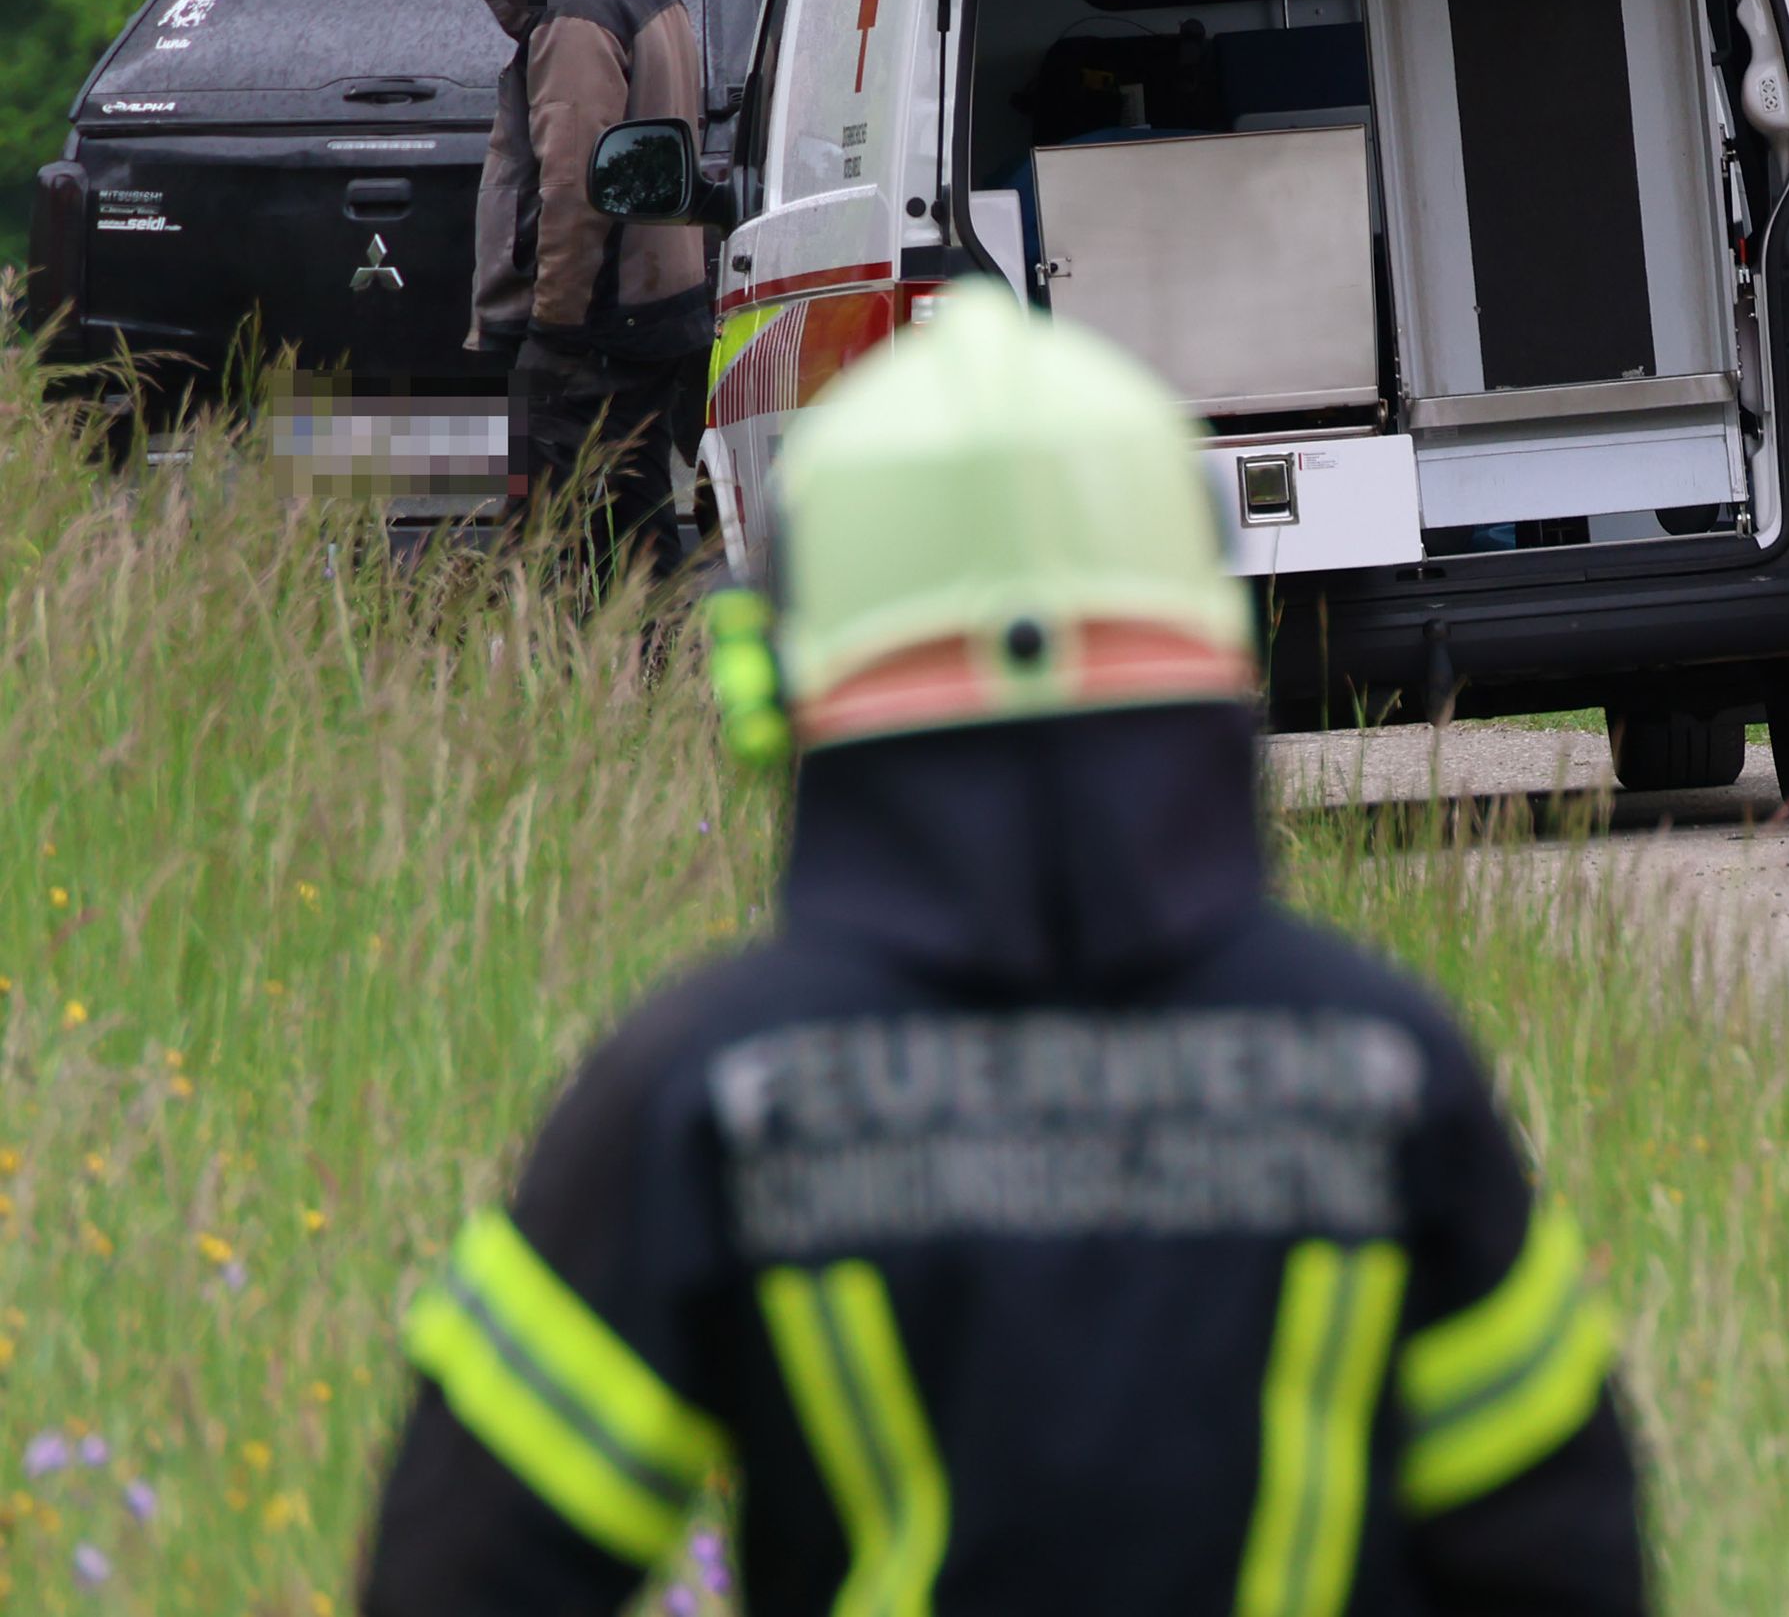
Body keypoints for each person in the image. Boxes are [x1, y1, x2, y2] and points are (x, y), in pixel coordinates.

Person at [360, 285, 1645, 1616]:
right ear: (1215, 648)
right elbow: (1566, 1563)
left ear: (776, 680)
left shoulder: (707, 1099)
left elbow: (461, 1571)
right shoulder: (1388, 1071)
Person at [469, 0, 709, 570]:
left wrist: (555, 332)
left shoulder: (577, 11)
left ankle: (546, 649)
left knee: (536, 546)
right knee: (637, 525)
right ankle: (651, 644)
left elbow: (575, 192)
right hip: (655, 310)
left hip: (595, 324)